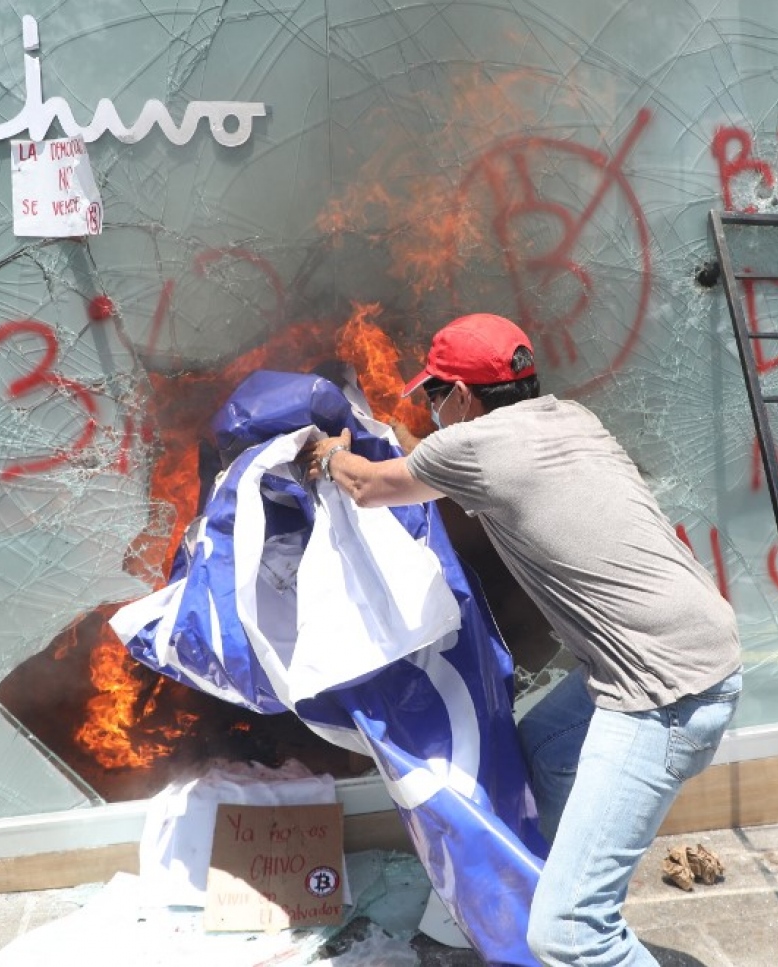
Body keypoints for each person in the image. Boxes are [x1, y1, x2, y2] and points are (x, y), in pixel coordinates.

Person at [306, 313, 742, 966]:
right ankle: (566, 883)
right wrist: (397, 438)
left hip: (661, 694)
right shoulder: (571, 419)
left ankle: (579, 921)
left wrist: (328, 455)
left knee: (568, 934)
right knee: (546, 747)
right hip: (703, 651)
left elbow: (369, 487)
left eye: (434, 395)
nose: (432, 409)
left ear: (460, 395)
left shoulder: (474, 450)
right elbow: (435, 460)